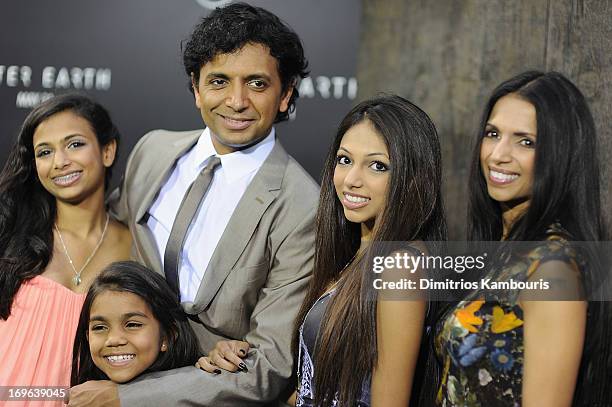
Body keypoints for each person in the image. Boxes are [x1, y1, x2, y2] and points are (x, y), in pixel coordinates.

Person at [69, 3, 318, 406]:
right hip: (101, 373)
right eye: (219, 81)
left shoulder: (304, 207)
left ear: (286, 94)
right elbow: (105, 246)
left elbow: (269, 365)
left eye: (256, 83)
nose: (236, 101)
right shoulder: (153, 150)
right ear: (196, 89)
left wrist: (129, 398)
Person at [434, 71, 611, 406]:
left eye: (525, 141)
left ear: (560, 154)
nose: (498, 154)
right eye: (493, 133)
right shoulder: (503, 250)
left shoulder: (554, 271)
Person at [0, 94, 131, 404]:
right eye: (45, 152)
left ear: (107, 150)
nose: (60, 162)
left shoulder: (139, 248)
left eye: (74, 144)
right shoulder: (8, 233)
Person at [71, 261, 201, 385]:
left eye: (132, 325)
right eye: (99, 327)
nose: (114, 340)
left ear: (167, 336)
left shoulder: (197, 391)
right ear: (87, 337)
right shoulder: (80, 396)